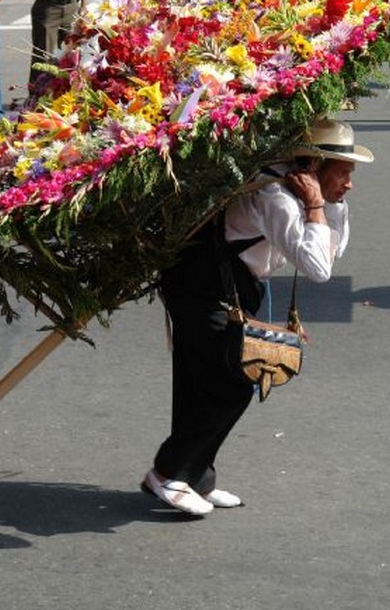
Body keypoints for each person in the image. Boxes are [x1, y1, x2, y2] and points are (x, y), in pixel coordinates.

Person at [143, 117, 374, 515]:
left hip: (237, 283)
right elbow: (319, 268)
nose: (350, 183)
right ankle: (166, 473)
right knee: (234, 380)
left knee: (202, 380)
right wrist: (318, 205)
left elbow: (332, 251)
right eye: (344, 173)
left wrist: (329, 205)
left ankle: (195, 476)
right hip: (201, 283)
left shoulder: (304, 191)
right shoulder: (276, 196)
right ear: (314, 169)